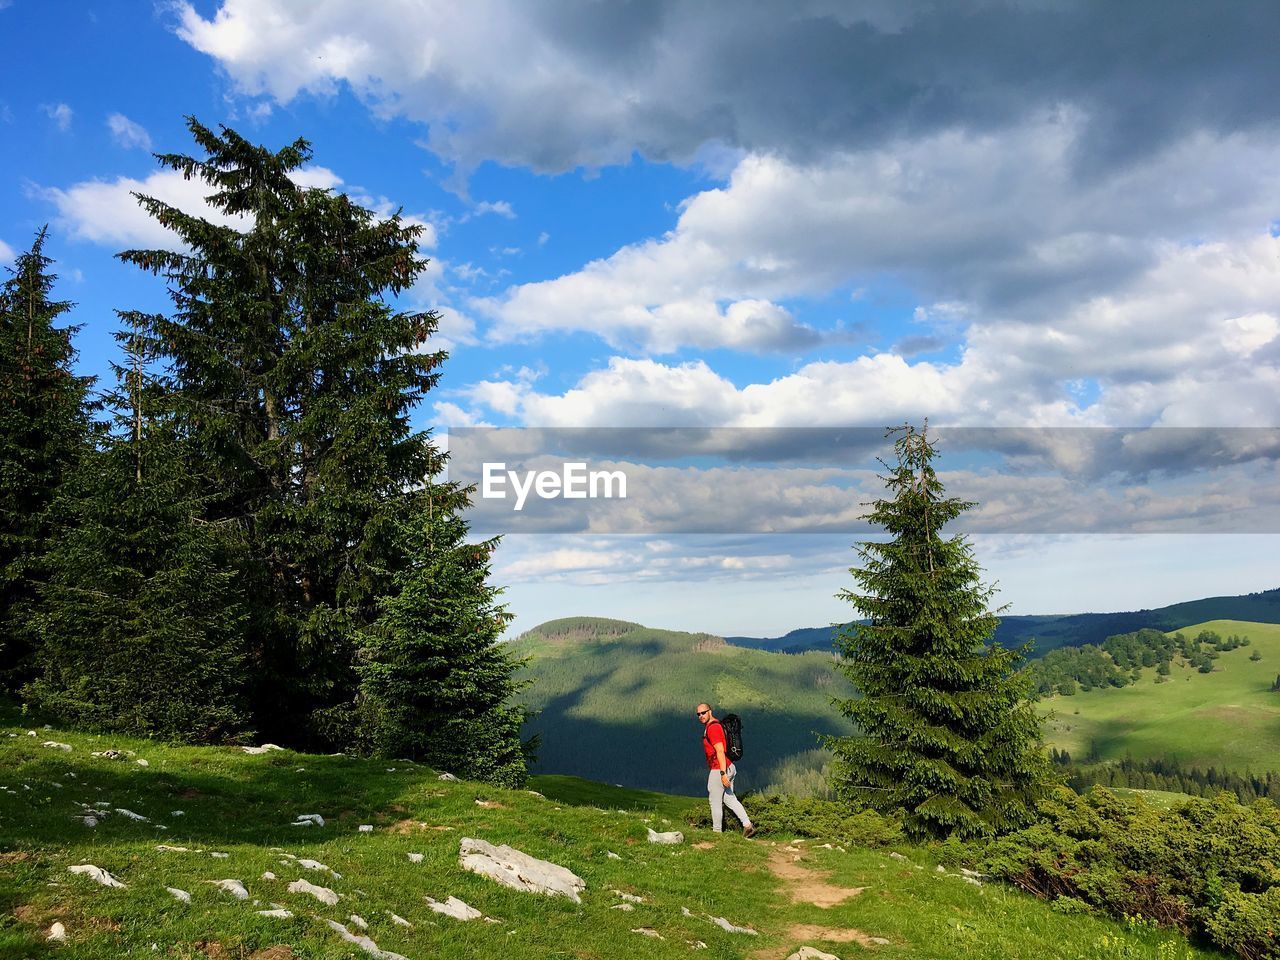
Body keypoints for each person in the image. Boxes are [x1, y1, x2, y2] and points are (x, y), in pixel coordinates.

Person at [696, 702, 755, 837]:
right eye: (698, 714)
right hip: (729, 766)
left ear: (710, 711)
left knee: (714, 800)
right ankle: (748, 825)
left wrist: (722, 774)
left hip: (719, 769)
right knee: (729, 799)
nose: (701, 716)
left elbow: (720, 751)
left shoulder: (713, 728)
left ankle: (716, 833)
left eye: (703, 712)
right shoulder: (715, 725)